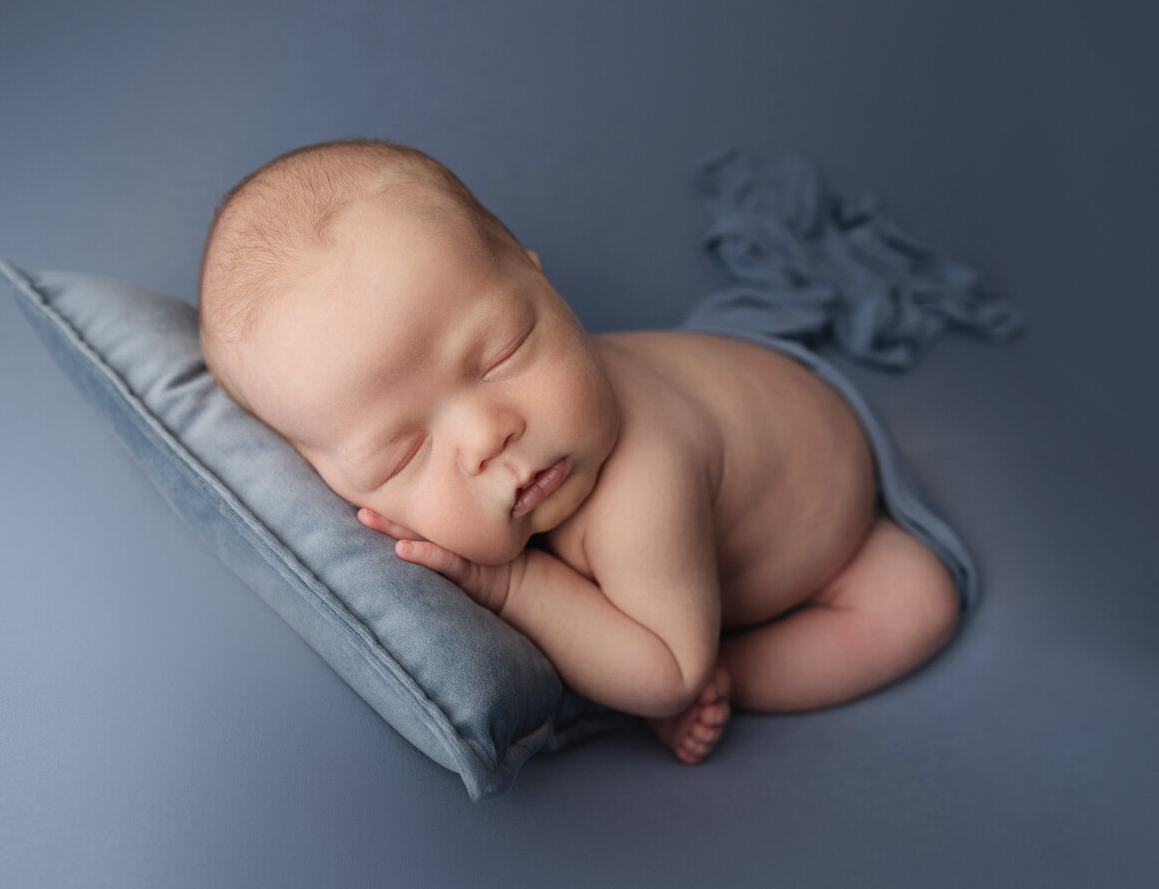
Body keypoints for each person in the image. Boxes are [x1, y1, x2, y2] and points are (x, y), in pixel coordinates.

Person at [198, 139, 961, 764]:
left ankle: (748, 670)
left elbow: (667, 672)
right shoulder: (537, 439)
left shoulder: (641, 481)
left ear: (541, 278)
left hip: (832, 518)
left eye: (501, 353)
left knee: (919, 604)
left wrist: (513, 588)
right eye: (401, 454)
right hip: (745, 407)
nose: (486, 436)